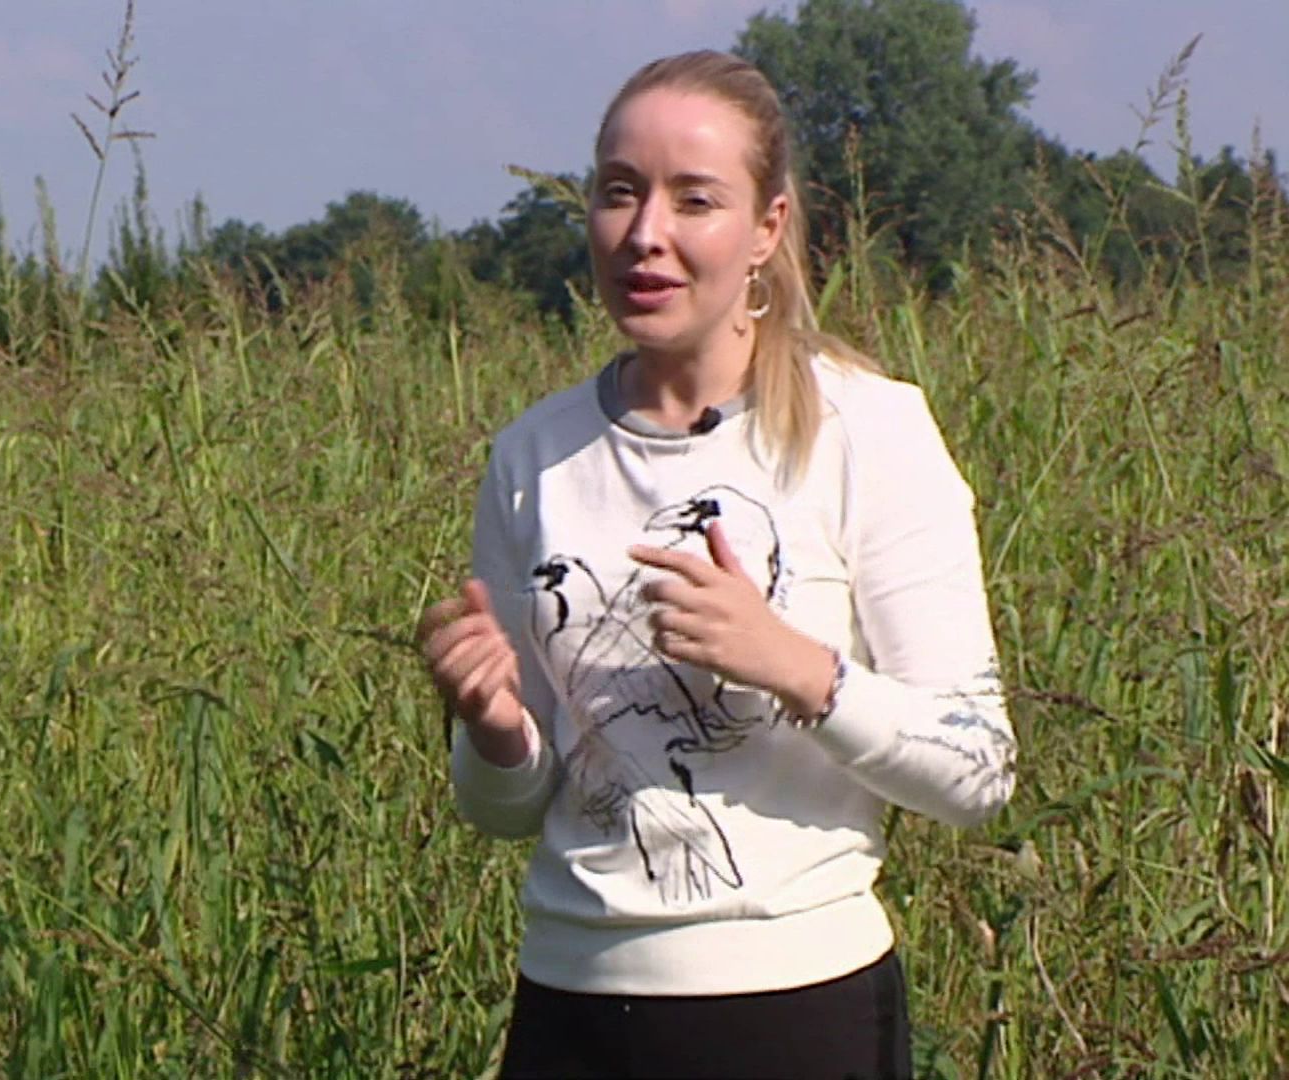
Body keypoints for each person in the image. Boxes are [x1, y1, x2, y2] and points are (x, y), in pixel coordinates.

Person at [414, 50, 1017, 1080]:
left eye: (694, 200)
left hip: (799, 1019)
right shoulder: (533, 457)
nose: (645, 233)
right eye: (619, 192)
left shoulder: (868, 431)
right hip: (568, 1010)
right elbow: (506, 810)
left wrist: (794, 667)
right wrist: (494, 729)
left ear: (767, 227)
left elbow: (979, 770)